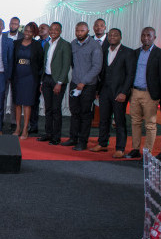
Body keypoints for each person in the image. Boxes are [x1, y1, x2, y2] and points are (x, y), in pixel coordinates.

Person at [90, 28, 134, 158]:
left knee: (119, 121)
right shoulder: (104, 51)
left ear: (120, 37)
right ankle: (102, 143)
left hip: (119, 93)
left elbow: (130, 75)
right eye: (110, 35)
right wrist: (98, 90)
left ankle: (120, 148)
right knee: (103, 119)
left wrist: (124, 92)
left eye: (115, 35)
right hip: (105, 91)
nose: (112, 37)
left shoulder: (128, 52)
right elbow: (102, 73)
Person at [63, 22, 103, 151]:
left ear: (87, 31)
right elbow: (72, 63)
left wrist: (83, 82)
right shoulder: (73, 43)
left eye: (82, 31)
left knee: (85, 114)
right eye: (77, 30)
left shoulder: (95, 46)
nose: (79, 33)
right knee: (74, 111)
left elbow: (97, 67)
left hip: (88, 85)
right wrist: (77, 80)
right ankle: (73, 138)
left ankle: (82, 141)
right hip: (75, 83)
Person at [126, 27, 161, 159]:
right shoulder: (135, 53)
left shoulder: (159, 53)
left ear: (154, 37)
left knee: (150, 124)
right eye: (143, 35)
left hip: (150, 94)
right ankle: (135, 149)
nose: (145, 38)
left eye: (149, 35)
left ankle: (147, 153)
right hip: (135, 92)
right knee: (135, 122)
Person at [39, 22, 71, 145]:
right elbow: (45, 63)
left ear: (60, 31)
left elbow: (66, 65)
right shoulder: (47, 44)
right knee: (48, 108)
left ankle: (56, 137)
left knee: (56, 109)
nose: (53, 31)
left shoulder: (65, 45)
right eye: (51, 29)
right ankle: (48, 133)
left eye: (56, 29)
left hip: (58, 81)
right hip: (46, 79)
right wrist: (42, 81)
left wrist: (59, 83)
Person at [11, 23, 43, 138]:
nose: (27, 33)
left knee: (27, 104)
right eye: (26, 30)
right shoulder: (16, 43)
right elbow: (12, 59)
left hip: (30, 78)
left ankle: (25, 129)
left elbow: (40, 62)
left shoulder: (37, 45)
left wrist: (39, 79)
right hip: (17, 77)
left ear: (34, 33)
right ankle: (17, 127)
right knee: (17, 103)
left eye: (30, 31)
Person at [29, 23, 50, 134]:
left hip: (49, 76)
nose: (41, 30)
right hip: (36, 76)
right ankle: (33, 126)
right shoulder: (35, 43)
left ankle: (49, 129)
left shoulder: (52, 42)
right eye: (40, 28)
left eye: (43, 28)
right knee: (34, 102)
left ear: (49, 30)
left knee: (49, 104)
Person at [2, 16, 23, 130]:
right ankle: (1, 119)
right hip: (4, 70)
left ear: (18, 26)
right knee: (2, 96)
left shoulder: (23, 37)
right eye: (11, 23)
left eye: (15, 24)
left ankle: (14, 121)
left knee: (14, 98)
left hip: (17, 71)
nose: (13, 25)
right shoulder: (3, 35)